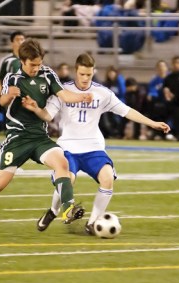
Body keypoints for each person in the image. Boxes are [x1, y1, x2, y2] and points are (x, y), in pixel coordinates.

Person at [0, 39, 93, 234]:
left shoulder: (48, 75)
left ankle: (67, 210)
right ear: (22, 61)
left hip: (39, 137)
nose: (36, 68)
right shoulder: (12, 79)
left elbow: (64, 95)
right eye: (32, 65)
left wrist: (82, 97)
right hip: (17, 140)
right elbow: (2, 102)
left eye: (39, 63)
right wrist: (9, 95)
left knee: (62, 163)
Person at [22, 53, 170, 234]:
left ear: (93, 73)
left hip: (93, 148)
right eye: (82, 74)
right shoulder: (63, 91)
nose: (85, 79)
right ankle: (53, 211)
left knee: (107, 178)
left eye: (89, 75)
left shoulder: (103, 93)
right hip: (68, 147)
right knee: (68, 179)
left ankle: (92, 223)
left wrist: (153, 123)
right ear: (76, 71)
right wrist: (36, 109)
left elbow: (127, 111)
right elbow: (48, 115)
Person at [0, 31, 26, 135]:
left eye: (22, 39)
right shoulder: (6, 60)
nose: (20, 42)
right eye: (17, 40)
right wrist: (2, 95)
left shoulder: (29, 59)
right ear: (12, 43)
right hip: (10, 97)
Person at [147, 60, 169, 139]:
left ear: (166, 68)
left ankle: (170, 133)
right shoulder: (154, 80)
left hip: (170, 102)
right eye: (159, 67)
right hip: (158, 102)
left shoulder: (171, 78)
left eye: (163, 66)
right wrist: (150, 95)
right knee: (154, 107)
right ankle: (156, 132)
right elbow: (152, 92)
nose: (161, 68)